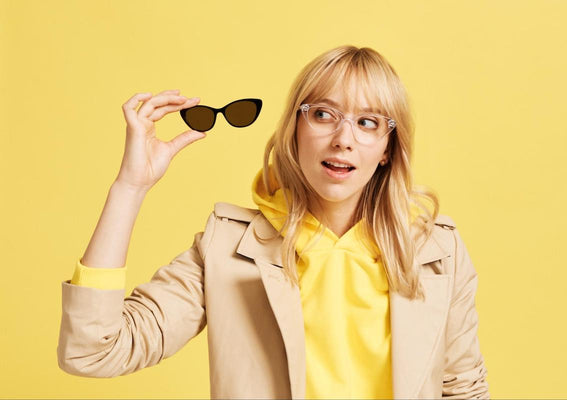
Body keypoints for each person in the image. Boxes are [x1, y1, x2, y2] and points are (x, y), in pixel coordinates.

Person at [57, 45, 490, 399]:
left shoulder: (437, 253)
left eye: (367, 123)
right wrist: (130, 187)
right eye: (323, 114)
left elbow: (463, 390)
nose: (343, 139)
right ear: (294, 129)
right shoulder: (227, 246)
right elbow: (93, 352)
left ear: (387, 149)